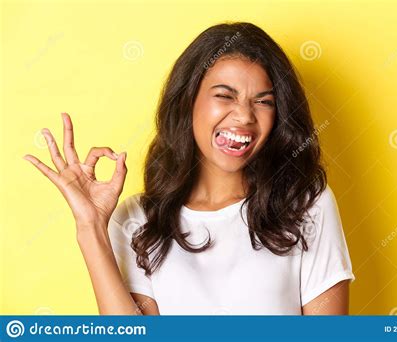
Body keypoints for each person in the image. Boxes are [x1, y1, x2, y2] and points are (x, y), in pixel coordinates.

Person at [24, 22, 355, 315]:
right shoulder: (136, 220)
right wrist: (91, 227)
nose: (244, 116)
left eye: (264, 101)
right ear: (188, 101)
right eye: (225, 96)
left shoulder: (307, 205)